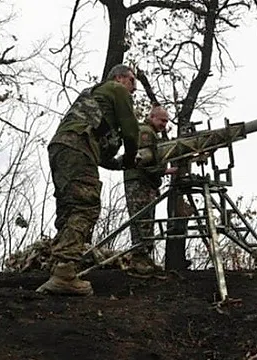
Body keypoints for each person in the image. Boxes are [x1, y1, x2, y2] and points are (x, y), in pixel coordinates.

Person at [36, 64, 140, 295]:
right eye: (132, 81)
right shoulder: (116, 89)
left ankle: (57, 268)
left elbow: (99, 153)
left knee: (69, 207)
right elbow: (132, 132)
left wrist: (119, 162)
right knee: (86, 207)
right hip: (78, 148)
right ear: (120, 78)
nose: (134, 89)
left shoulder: (93, 97)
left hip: (61, 148)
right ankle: (64, 273)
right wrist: (132, 157)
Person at [123, 106, 177, 274]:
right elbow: (143, 160)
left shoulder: (150, 133)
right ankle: (139, 258)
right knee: (141, 219)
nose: (164, 124)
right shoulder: (145, 132)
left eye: (167, 121)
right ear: (152, 117)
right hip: (139, 181)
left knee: (146, 219)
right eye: (162, 120)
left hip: (144, 181)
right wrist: (164, 171)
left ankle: (144, 258)